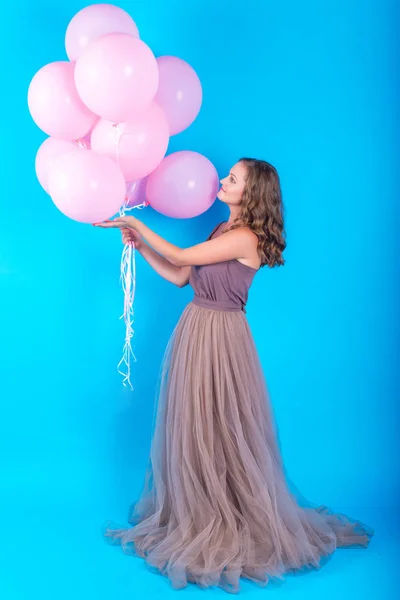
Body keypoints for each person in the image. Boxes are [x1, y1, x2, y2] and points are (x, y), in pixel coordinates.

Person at [94, 158, 373, 594]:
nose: (222, 181)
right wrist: (140, 245)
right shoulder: (221, 231)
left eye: (233, 179)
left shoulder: (245, 237)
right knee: (194, 424)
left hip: (222, 337)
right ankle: (202, 510)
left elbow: (182, 255)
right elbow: (180, 276)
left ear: (252, 192)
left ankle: (230, 517)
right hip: (195, 329)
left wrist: (135, 223)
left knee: (222, 426)